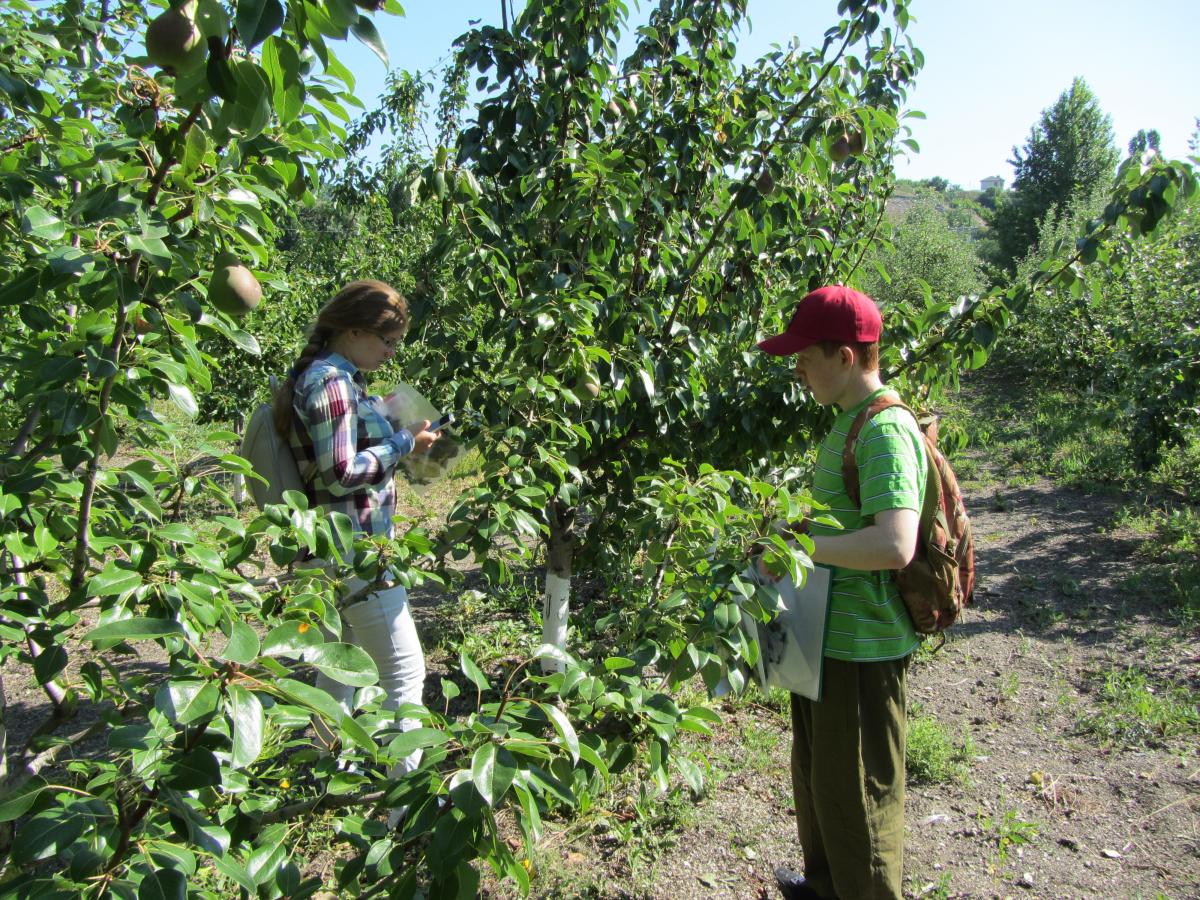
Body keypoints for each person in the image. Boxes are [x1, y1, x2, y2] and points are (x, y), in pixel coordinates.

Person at [756, 285, 925, 900]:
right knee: (822, 781)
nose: (796, 367)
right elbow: (845, 525)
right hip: (825, 638)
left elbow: (894, 544)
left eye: (806, 355)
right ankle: (827, 887)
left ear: (847, 356)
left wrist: (800, 549)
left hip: (862, 650)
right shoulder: (847, 423)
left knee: (860, 798)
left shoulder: (884, 430)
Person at [272, 279, 440, 823]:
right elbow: (341, 472)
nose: (391, 352)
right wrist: (403, 445)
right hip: (354, 555)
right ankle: (405, 806)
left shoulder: (331, 376)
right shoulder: (331, 382)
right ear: (352, 329)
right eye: (386, 341)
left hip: (329, 554)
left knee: (338, 671)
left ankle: (328, 784)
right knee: (405, 675)